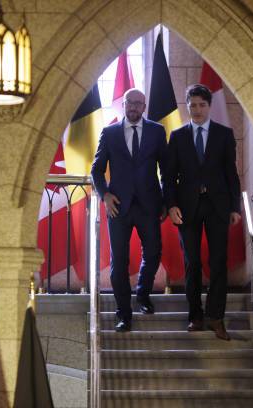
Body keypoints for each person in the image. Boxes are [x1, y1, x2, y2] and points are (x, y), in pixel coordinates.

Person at [164, 84, 241, 341]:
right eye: (193, 105)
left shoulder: (224, 134)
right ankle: (196, 316)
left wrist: (234, 208)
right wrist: (171, 205)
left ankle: (216, 318)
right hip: (187, 208)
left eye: (202, 105)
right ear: (187, 107)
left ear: (209, 106)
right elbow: (168, 176)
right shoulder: (177, 137)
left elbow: (231, 174)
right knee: (192, 262)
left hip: (218, 206)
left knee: (218, 262)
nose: (197, 110)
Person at [91, 88, 167, 332]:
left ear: (144, 107)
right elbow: (96, 170)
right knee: (119, 263)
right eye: (129, 102)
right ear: (123, 105)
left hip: (149, 205)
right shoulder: (110, 133)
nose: (133, 106)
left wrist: (165, 201)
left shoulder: (157, 131)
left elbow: (165, 170)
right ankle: (123, 313)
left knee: (154, 252)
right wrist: (105, 195)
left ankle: (143, 294)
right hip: (118, 207)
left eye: (138, 103)